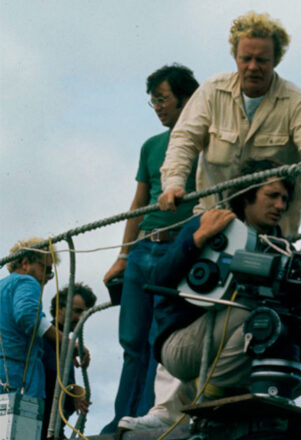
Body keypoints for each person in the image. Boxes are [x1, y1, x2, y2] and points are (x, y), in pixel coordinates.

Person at [119, 159, 301, 432]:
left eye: (285, 199)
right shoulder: (211, 221)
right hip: (182, 346)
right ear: (248, 194)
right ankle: (204, 391)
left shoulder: (280, 245)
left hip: (231, 344)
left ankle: (230, 395)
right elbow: (158, 278)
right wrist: (197, 239)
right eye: (272, 196)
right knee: (251, 312)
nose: (281, 206)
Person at [158, 11, 301, 233]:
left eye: (262, 60)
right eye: (246, 59)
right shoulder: (211, 91)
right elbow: (184, 140)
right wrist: (173, 184)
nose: (253, 67)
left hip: (273, 236)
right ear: (235, 57)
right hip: (211, 226)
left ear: (276, 60)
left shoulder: (298, 102)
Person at [100, 64, 200, 434]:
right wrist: (123, 255)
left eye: (163, 99)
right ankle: (118, 420)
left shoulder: (206, 143)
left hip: (178, 250)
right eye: (153, 101)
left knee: (162, 338)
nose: (157, 107)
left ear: (187, 98)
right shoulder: (151, 146)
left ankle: (146, 418)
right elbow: (139, 203)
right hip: (143, 249)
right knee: (132, 339)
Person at [0, 238, 61, 401]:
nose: (48, 277)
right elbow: (28, 316)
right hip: (16, 377)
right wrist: (66, 342)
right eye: (46, 269)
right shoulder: (27, 281)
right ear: (25, 263)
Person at [41, 283, 96, 440]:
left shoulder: (66, 346)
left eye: (85, 313)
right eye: (77, 311)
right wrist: (73, 390)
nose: (81, 318)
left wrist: (74, 391)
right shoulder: (45, 340)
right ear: (60, 308)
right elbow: (50, 377)